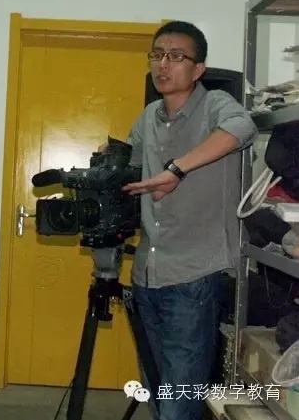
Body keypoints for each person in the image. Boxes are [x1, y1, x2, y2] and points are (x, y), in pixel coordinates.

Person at [98, 21, 258, 420]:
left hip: (194, 275)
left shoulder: (216, 105)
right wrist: (109, 161)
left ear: (198, 68)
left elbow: (243, 127)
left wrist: (177, 169)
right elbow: (132, 167)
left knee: (180, 400)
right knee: (157, 390)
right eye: (156, 55)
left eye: (175, 56)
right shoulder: (148, 116)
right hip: (147, 273)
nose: (163, 64)